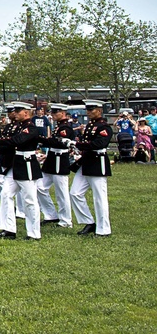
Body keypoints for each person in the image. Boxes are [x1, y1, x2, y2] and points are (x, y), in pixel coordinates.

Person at [0, 102, 42, 240]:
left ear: (26, 113)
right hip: (16, 164)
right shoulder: (18, 127)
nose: (15, 113)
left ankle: (34, 233)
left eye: (18, 111)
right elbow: (10, 143)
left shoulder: (31, 128)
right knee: (5, 194)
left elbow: (17, 141)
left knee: (30, 199)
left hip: (27, 164)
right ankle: (8, 229)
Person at [70, 100, 113, 237]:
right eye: (88, 110)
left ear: (99, 111)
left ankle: (104, 229)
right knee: (75, 193)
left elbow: (99, 143)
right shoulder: (90, 125)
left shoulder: (104, 127)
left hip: (97, 161)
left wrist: (78, 144)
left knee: (99, 197)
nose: (88, 112)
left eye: (91, 110)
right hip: (87, 161)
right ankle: (89, 221)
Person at [37, 103, 74, 228]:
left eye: (55, 112)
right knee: (40, 187)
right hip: (52, 159)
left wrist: (40, 139)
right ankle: (51, 214)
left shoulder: (66, 128)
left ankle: (66, 220)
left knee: (62, 193)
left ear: (63, 113)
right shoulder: (58, 127)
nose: (52, 115)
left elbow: (58, 143)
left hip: (60, 160)